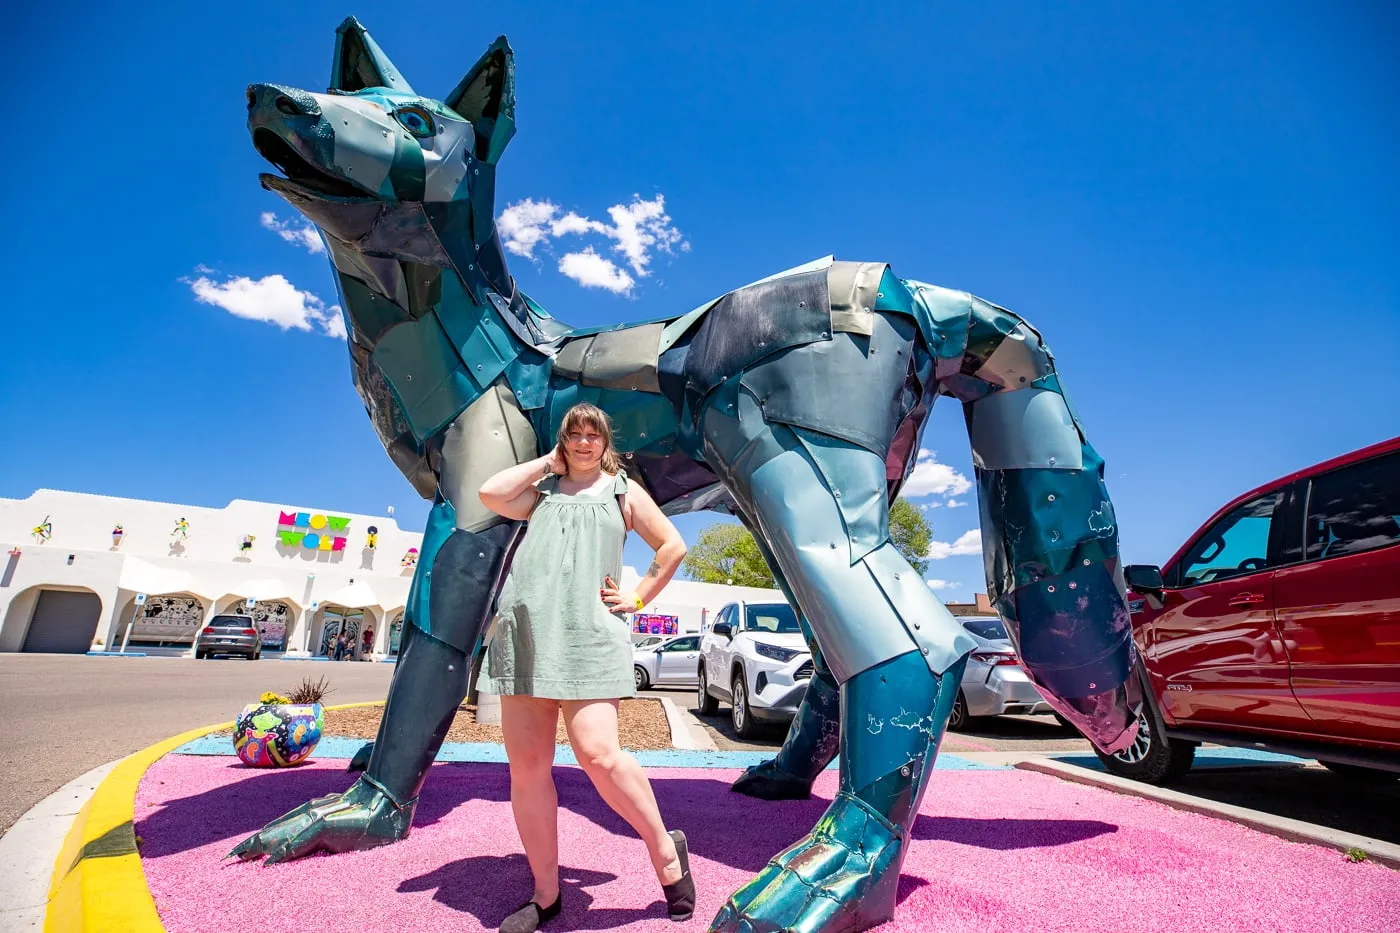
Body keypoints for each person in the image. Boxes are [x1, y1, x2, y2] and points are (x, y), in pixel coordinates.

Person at [478, 403, 692, 933]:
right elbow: (490, 493)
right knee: (527, 769)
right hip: (527, 634)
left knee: (598, 754)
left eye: (593, 434)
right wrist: (544, 465)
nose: (583, 443)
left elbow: (672, 546)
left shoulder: (623, 492)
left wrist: (638, 596)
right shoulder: (541, 493)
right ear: (564, 442)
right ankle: (546, 895)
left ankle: (666, 851)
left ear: (606, 441)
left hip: (590, 634)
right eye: (574, 435)